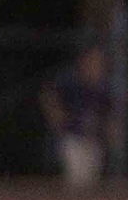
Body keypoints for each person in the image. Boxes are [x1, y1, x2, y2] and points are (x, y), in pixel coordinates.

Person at [41, 44, 115, 190]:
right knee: (75, 180)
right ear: (84, 61)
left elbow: (109, 114)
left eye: (100, 62)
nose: (97, 65)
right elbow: (47, 94)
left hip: (94, 139)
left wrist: (110, 132)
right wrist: (55, 115)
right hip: (72, 136)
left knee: (90, 182)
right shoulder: (70, 81)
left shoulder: (104, 87)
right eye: (93, 61)